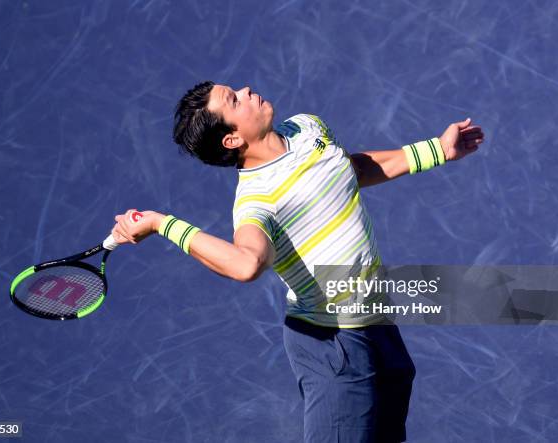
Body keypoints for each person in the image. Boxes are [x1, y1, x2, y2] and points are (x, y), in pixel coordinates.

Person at [111, 81, 484, 442]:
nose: (246, 91)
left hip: (376, 323)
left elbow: (347, 171)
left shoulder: (306, 126)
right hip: (334, 346)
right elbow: (245, 264)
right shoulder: (256, 202)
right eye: (234, 100)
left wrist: (436, 150)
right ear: (233, 139)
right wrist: (163, 224)